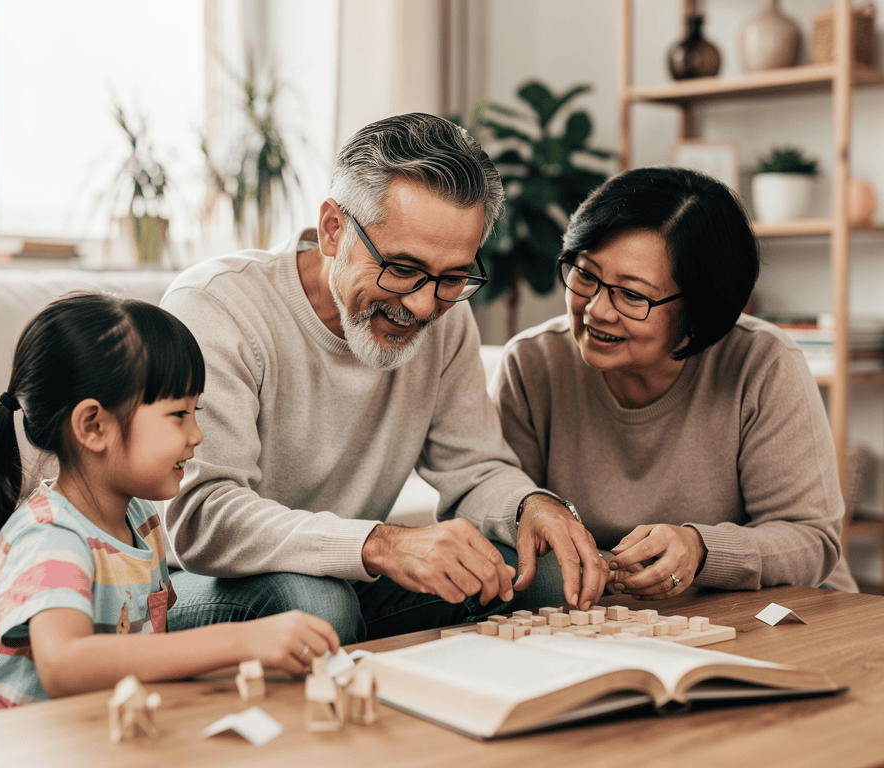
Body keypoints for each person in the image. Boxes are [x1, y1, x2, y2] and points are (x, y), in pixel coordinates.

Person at [161, 113, 609, 644]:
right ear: (334, 229)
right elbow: (202, 518)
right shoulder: (217, 307)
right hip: (195, 582)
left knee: (548, 576)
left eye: (452, 277)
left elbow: (473, 468)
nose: (422, 306)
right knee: (318, 606)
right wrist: (381, 545)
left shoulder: (448, 321)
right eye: (401, 268)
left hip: (350, 573)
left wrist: (531, 506)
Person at [0, 292, 339, 713]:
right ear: (94, 426)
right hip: (33, 743)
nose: (197, 435)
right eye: (179, 415)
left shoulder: (141, 519)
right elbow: (64, 666)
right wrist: (241, 640)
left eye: (196, 411)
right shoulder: (49, 536)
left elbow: (150, 651)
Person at [490, 166, 858, 598]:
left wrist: (700, 549)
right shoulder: (532, 363)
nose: (596, 310)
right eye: (585, 275)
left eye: (632, 295)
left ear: (699, 308)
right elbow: (506, 519)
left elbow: (812, 541)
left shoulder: (763, 363)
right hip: (608, 614)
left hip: (774, 608)